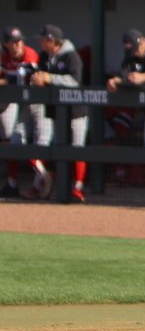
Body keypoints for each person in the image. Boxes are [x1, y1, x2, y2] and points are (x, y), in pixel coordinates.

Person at [26, 25, 89, 203]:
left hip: (76, 109)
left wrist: (49, 78)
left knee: (77, 148)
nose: (40, 41)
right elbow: (38, 74)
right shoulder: (44, 56)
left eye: (43, 38)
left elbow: (74, 81)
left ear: (52, 40)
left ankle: (78, 188)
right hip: (55, 110)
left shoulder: (72, 56)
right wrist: (36, 78)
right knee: (53, 147)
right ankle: (46, 183)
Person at [0, 27, 43, 198]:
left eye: (19, 41)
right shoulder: (4, 57)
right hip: (14, 104)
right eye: (13, 42)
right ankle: (12, 182)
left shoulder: (29, 54)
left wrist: (5, 80)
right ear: (6, 44)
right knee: (11, 141)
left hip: (35, 104)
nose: (17, 44)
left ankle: (42, 176)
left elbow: (24, 79)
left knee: (36, 144)